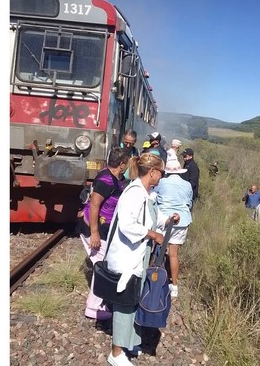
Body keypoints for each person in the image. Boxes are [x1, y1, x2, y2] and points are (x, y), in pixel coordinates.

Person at [105, 153, 181, 366]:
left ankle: (128, 343)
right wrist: (152, 234)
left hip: (137, 258)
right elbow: (127, 225)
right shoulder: (135, 193)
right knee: (124, 304)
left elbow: (149, 222)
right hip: (126, 259)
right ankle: (116, 353)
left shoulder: (145, 193)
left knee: (133, 302)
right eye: (161, 173)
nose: (161, 177)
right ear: (153, 172)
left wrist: (167, 222)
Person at [78, 147, 131, 320]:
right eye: (127, 163)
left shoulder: (112, 176)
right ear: (122, 164)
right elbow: (94, 204)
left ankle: (100, 303)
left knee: (102, 264)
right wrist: (94, 233)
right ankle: (93, 308)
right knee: (102, 266)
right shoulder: (107, 180)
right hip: (94, 228)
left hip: (102, 228)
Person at [153, 159, 192, 299]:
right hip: (182, 221)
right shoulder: (187, 185)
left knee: (156, 247)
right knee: (173, 254)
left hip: (164, 219)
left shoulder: (162, 182)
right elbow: (189, 202)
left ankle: (154, 277)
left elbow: (155, 198)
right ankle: (174, 286)